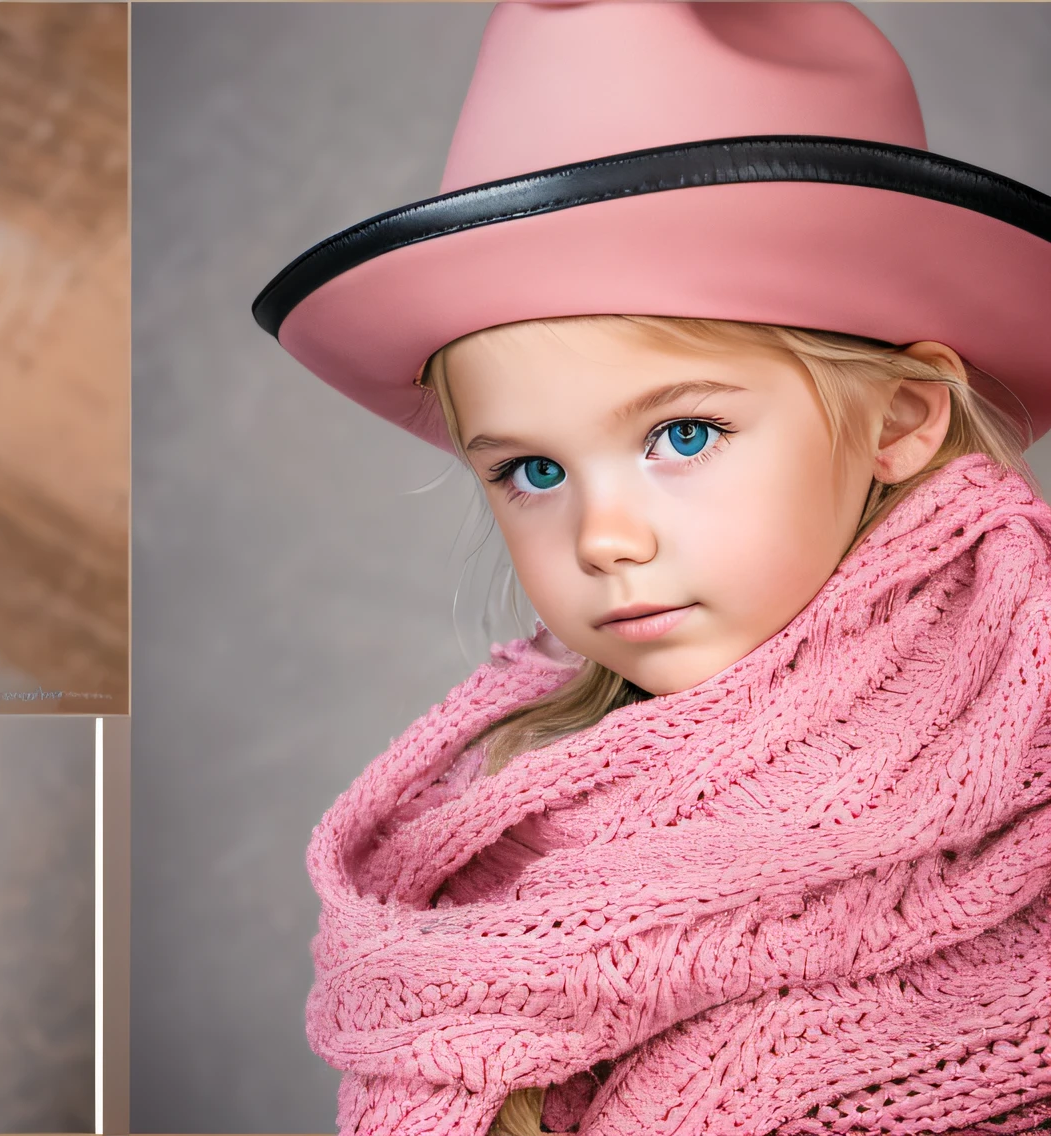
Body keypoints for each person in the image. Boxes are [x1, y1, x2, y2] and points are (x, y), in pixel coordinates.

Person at [253, 4, 1051, 1133]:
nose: (600, 537)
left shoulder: (1017, 758)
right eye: (532, 469)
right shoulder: (500, 822)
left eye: (682, 435)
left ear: (900, 420)